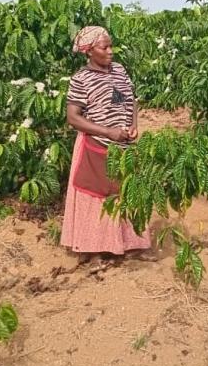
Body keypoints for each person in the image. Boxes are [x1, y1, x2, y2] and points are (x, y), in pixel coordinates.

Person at [60, 25, 151, 263]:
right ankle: (94, 250)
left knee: (125, 191)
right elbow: (73, 117)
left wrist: (133, 125)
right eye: (104, 47)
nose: (111, 51)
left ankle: (128, 245)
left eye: (111, 45)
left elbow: (130, 100)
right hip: (96, 145)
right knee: (96, 196)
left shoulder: (120, 71)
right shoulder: (81, 79)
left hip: (124, 146)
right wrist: (108, 132)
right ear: (89, 51)